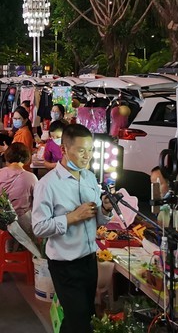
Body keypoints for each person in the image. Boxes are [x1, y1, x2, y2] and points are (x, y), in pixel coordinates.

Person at [32, 124, 114, 333]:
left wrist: (105, 210)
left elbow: (98, 221)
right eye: (81, 150)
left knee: (84, 315)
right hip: (65, 265)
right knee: (80, 321)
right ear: (65, 150)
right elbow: (39, 228)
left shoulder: (88, 177)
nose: (87, 156)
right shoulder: (48, 184)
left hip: (89, 260)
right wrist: (71, 218)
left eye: (90, 149)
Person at [0, 143, 38, 239]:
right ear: (26, 157)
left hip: (3, 221)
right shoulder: (31, 177)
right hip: (25, 222)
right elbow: (38, 201)